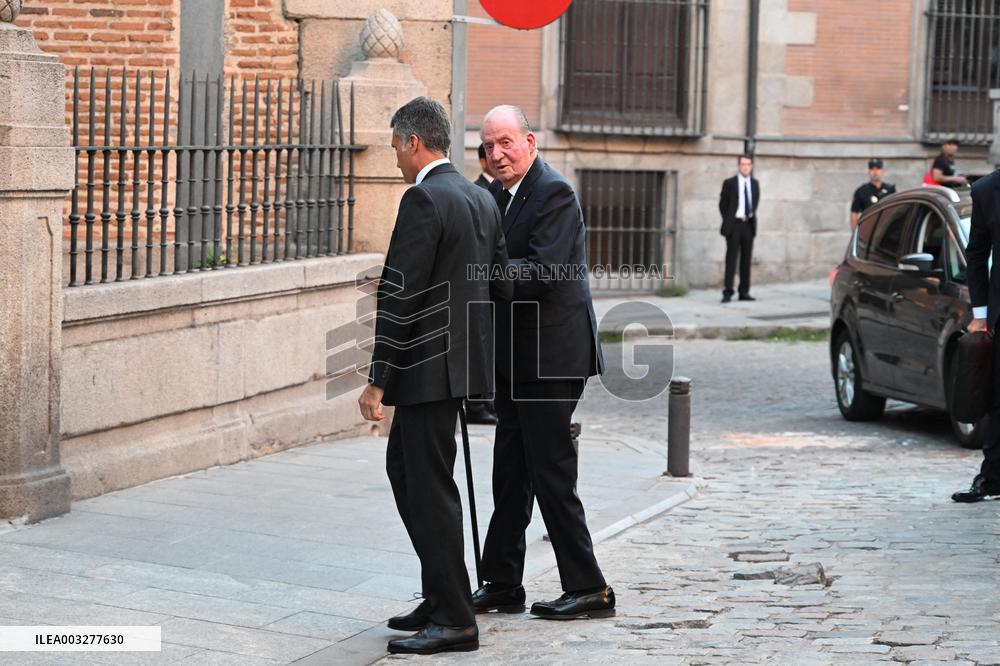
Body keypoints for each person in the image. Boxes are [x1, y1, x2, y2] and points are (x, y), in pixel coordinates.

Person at [358, 97, 509, 655]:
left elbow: (402, 293)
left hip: (426, 370)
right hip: (457, 366)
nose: (395, 158)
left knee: (428, 488)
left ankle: (454, 618)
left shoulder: (423, 198)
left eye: (396, 147)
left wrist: (379, 377)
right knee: (414, 476)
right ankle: (440, 591)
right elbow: (495, 283)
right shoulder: (479, 197)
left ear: (413, 143)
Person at [473, 104, 614, 621]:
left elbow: (547, 272)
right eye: (488, 146)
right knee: (509, 472)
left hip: (552, 359)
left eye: (505, 142)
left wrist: (484, 271)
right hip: (514, 361)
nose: (496, 154)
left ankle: (589, 588)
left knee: (551, 471)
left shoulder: (552, 191)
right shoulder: (490, 193)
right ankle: (503, 582)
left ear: (529, 141)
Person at [952, 166, 1000, 503]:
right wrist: (980, 315)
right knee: (999, 399)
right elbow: (977, 253)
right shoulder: (985, 191)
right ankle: (993, 477)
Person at [464, 146, 501, 426]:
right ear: (481, 161)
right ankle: (477, 404)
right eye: (490, 152)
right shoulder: (477, 191)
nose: (498, 158)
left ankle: (487, 400)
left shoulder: (504, 191)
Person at [719, 154, 760, 303]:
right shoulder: (729, 183)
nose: (745, 167)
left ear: (751, 166)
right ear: (738, 166)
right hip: (734, 225)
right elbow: (722, 204)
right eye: (743, 164)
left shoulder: (755, 184)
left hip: (748, 224)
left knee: (746, 260)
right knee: (731, 259)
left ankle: (744, 292)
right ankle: (728, 292)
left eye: (748, 164)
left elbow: (755, 203)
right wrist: (729, 219)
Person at [850, 159, 896, 229]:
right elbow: (854, 214)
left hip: (887, 229)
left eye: (878, 169)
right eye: (872, 169)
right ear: (869, 171)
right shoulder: (862, 191)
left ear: (882, 171)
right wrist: (856, 234)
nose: (875, 172)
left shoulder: (890, 190)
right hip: (869, 230)